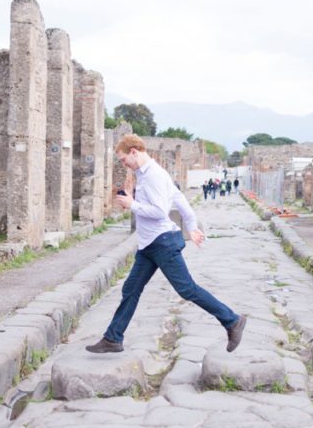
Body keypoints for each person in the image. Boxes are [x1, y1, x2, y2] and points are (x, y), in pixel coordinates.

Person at [86, 134, 248, 354]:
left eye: (124, 159)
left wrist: (133, 204)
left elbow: (160, 211)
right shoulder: (144, 174)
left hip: (161, 243)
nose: (123, 164)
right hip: (149, 246)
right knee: (131, 289)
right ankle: (113, 338)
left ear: (134, 152)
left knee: (187, 289)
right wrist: (191, 226)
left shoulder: (154, 175)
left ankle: (232, 321)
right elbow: (180, 199)